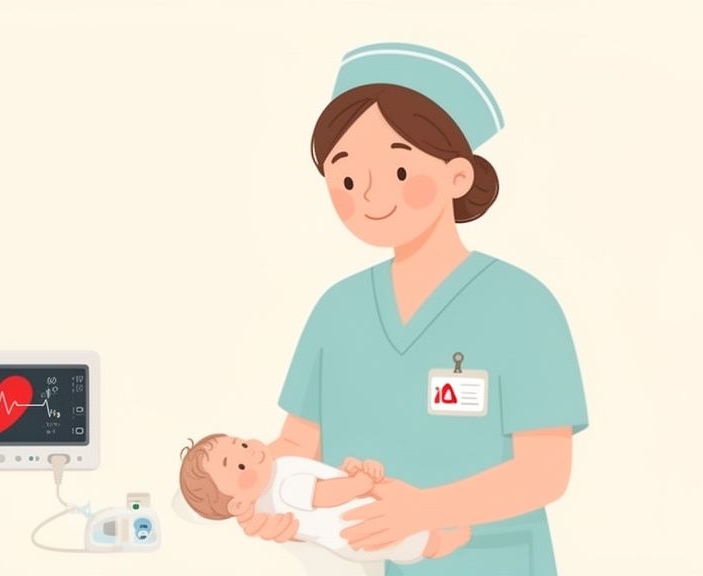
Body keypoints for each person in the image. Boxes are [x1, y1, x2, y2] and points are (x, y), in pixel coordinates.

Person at [239, 43, 589, 576]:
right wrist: (257, 490)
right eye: (348, 178)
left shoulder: (523, 306)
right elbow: (295, 443)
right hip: (357, 562)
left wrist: (425, 510)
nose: (371, 195)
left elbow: (544, 472)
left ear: (458, 177)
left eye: (398, 171)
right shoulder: (338, 310)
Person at [178, 433, 471, 564]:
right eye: (240, 465)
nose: (249, 452)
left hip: (350, 529)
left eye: (240, 444)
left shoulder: (277, 475)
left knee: (399, 533)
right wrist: (359, 482)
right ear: (238, 503)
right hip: (358, 530)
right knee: (407, 537)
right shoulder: (282, 486)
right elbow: (325, 495)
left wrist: (348, 472)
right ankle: (439, 544)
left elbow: (323, 480)